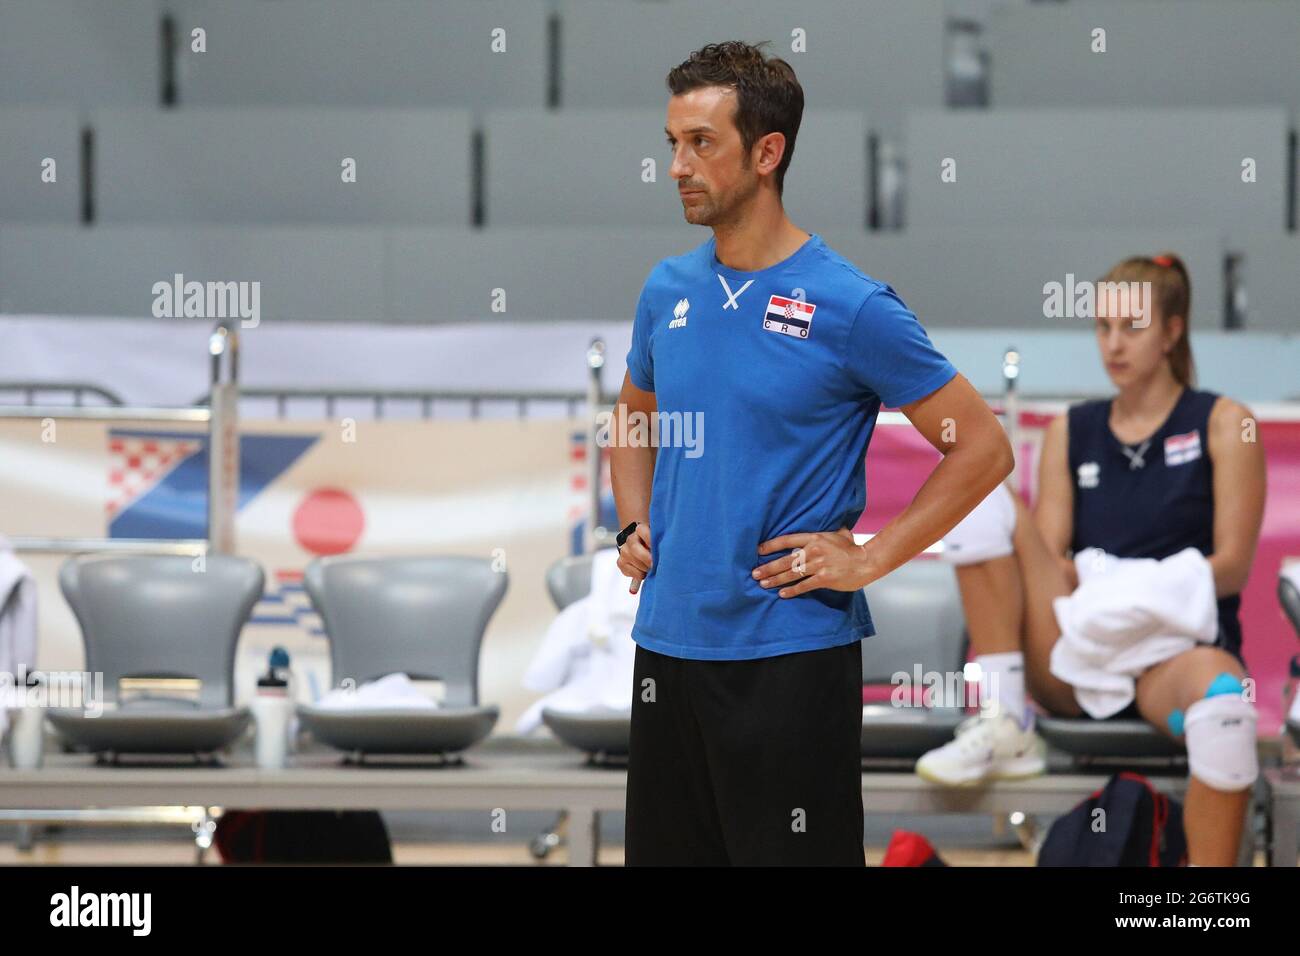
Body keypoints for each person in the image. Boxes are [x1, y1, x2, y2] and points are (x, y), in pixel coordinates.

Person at [610, 40, 1012, 866]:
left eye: (701, 143)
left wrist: (871, 558)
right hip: (667, 650)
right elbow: (630, 417)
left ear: (767, 153)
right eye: (671, 144)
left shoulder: (851, 304)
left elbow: (981, 446)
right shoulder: (666, 290)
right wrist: (631, 523)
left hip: (789, 660)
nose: (678, 166)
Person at [918, 254, 1267, 867]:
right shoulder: (1070, 429)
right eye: (1102, 327)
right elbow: (1054, 558)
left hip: (1172, 654)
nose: (1113, 344)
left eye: (1131, 328)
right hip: (1080, 650)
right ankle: (1005, 721)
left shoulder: (1225, 423)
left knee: (1225, 708)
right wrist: (1096, 580)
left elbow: (1233, 566)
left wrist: (1114, 578)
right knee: (975, 481)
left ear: (1173, 330)